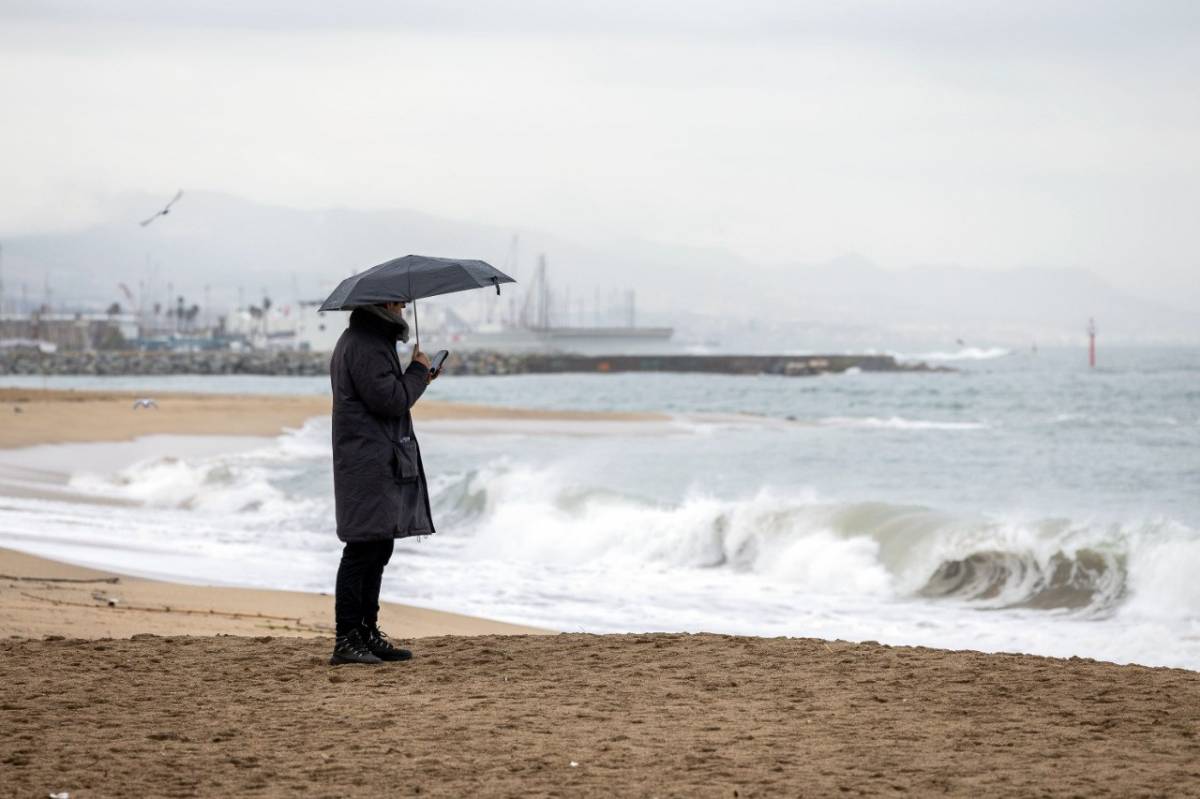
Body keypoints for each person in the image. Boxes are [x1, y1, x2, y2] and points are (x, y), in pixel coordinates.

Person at [328, 300, 437, 665]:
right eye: (400, 302)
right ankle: (348, 638)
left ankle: (366, 633)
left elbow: (389, 394)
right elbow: (390, 400)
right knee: (363, 549)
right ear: (384, 305)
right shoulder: (365, 345)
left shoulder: (367, 340)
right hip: (367, 460)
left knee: (377, 546)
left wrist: (415, 375)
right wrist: (419, 372)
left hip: (370, 457)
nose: (404, 307)